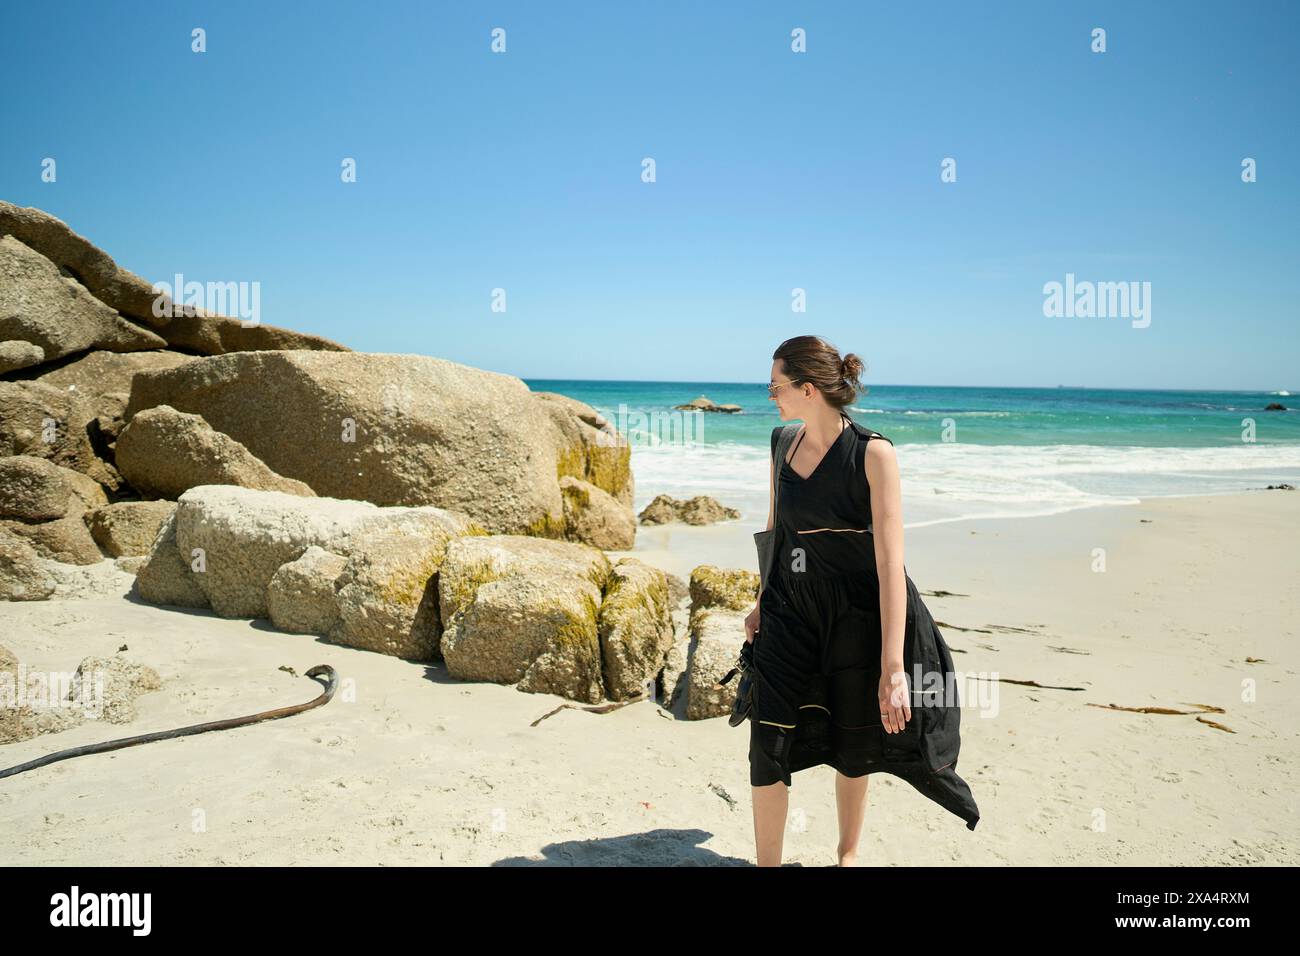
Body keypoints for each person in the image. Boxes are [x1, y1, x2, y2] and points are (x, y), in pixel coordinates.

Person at [745, 335, 979, 867]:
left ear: (808, 389)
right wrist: (761, 600)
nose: (771, 396)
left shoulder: (874, 453)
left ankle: (848, 855)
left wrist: (893, 666)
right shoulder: (782, 442)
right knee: (769, 740)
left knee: (852, 743)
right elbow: (776, 528)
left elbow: (889, 564)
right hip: (788, 608)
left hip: (855, 615)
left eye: (775, 385)